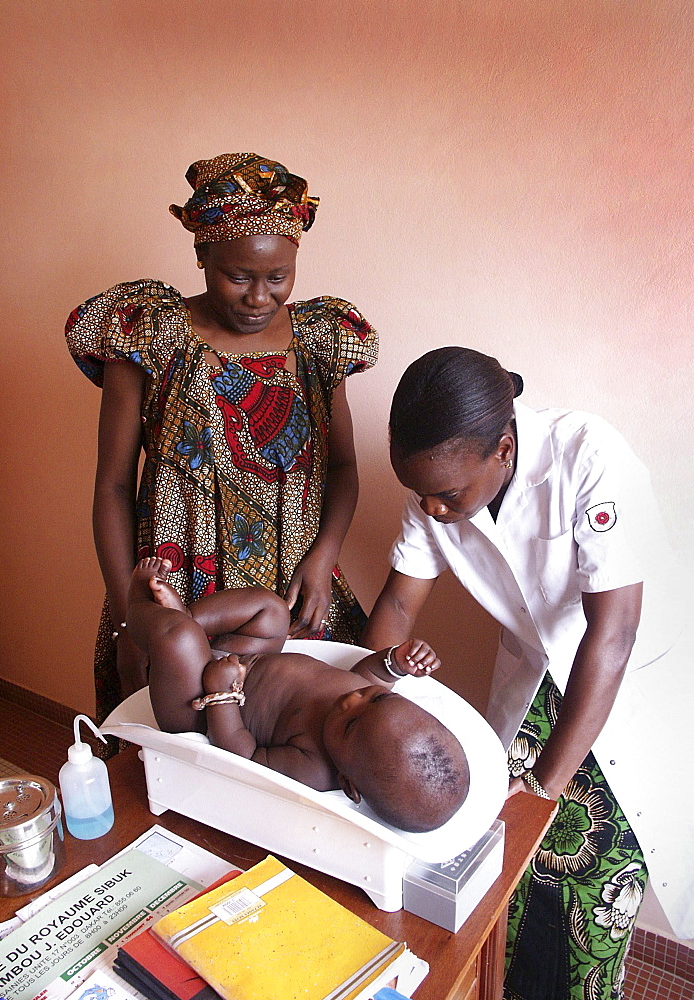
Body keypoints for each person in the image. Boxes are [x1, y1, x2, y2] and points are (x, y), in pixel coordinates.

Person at [362, 347, 693, 999]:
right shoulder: (438, 488)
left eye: (446, 496)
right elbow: (397, 604)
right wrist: (366, 700)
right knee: (500, 874)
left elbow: (613, 632)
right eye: (420, 494)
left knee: (591, 898)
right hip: (537, 678)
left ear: (504, 449)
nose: (430, 510)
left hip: (623, 686)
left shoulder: (587, 456)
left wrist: (543, 788)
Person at [65, 153, 377, 723]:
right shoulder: (149, 334)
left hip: (290, 591)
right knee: (168, 755)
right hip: (173, 599)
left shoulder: (319, 342)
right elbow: (111, 485)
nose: (259, 298)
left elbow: (344, 469)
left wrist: (324, 558)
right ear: (203, 254)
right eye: (238, 276)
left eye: (277, 278)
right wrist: (131, 618)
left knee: (295, 745)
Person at [126, 555, 470, 834]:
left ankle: (138, 610)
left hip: (197, 708)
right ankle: (188, 617)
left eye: (349, 724)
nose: (352, 700)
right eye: (377, 697)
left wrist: (221, 694)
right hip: (248, 657)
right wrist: (394, 661)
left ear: (348, 783)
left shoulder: (314, 769)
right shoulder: (365, 703)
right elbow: (366, 674)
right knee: (272, 610)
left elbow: (243, 757)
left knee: (180, 639)